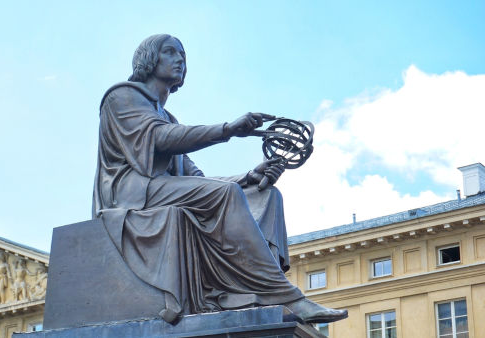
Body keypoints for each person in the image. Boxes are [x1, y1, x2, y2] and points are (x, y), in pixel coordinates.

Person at [93, 34, 347, 324]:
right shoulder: (122, 96)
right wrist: (228, 130)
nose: (180, 60)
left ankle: (250, 294)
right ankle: (287, 297)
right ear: (149, 59)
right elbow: (160, 138)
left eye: (183, 56)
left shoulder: (167, 116)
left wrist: (249, 177)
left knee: (265, 195)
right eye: (170, 52)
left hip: (161, 191)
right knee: (225, 195)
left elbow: (197, 178)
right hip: (131, 193)